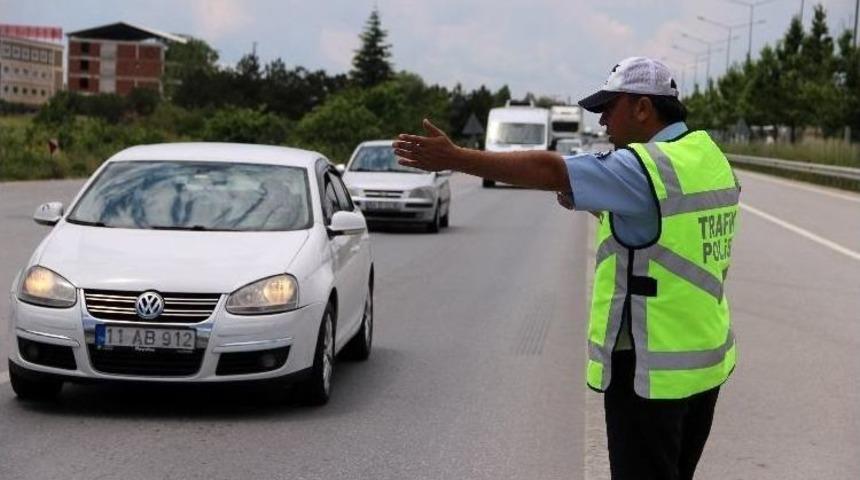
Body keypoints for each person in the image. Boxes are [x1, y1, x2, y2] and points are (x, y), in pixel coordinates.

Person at [394, 57, 740, 480]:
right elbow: (670, 233)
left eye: (609, 108)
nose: (602, 122)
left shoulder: (644, 166)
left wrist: (457, 157)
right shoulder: (707, 156)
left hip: (651, 370)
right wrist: (607, 212)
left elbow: (549, 169)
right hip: (703, 365)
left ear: (644, 108)